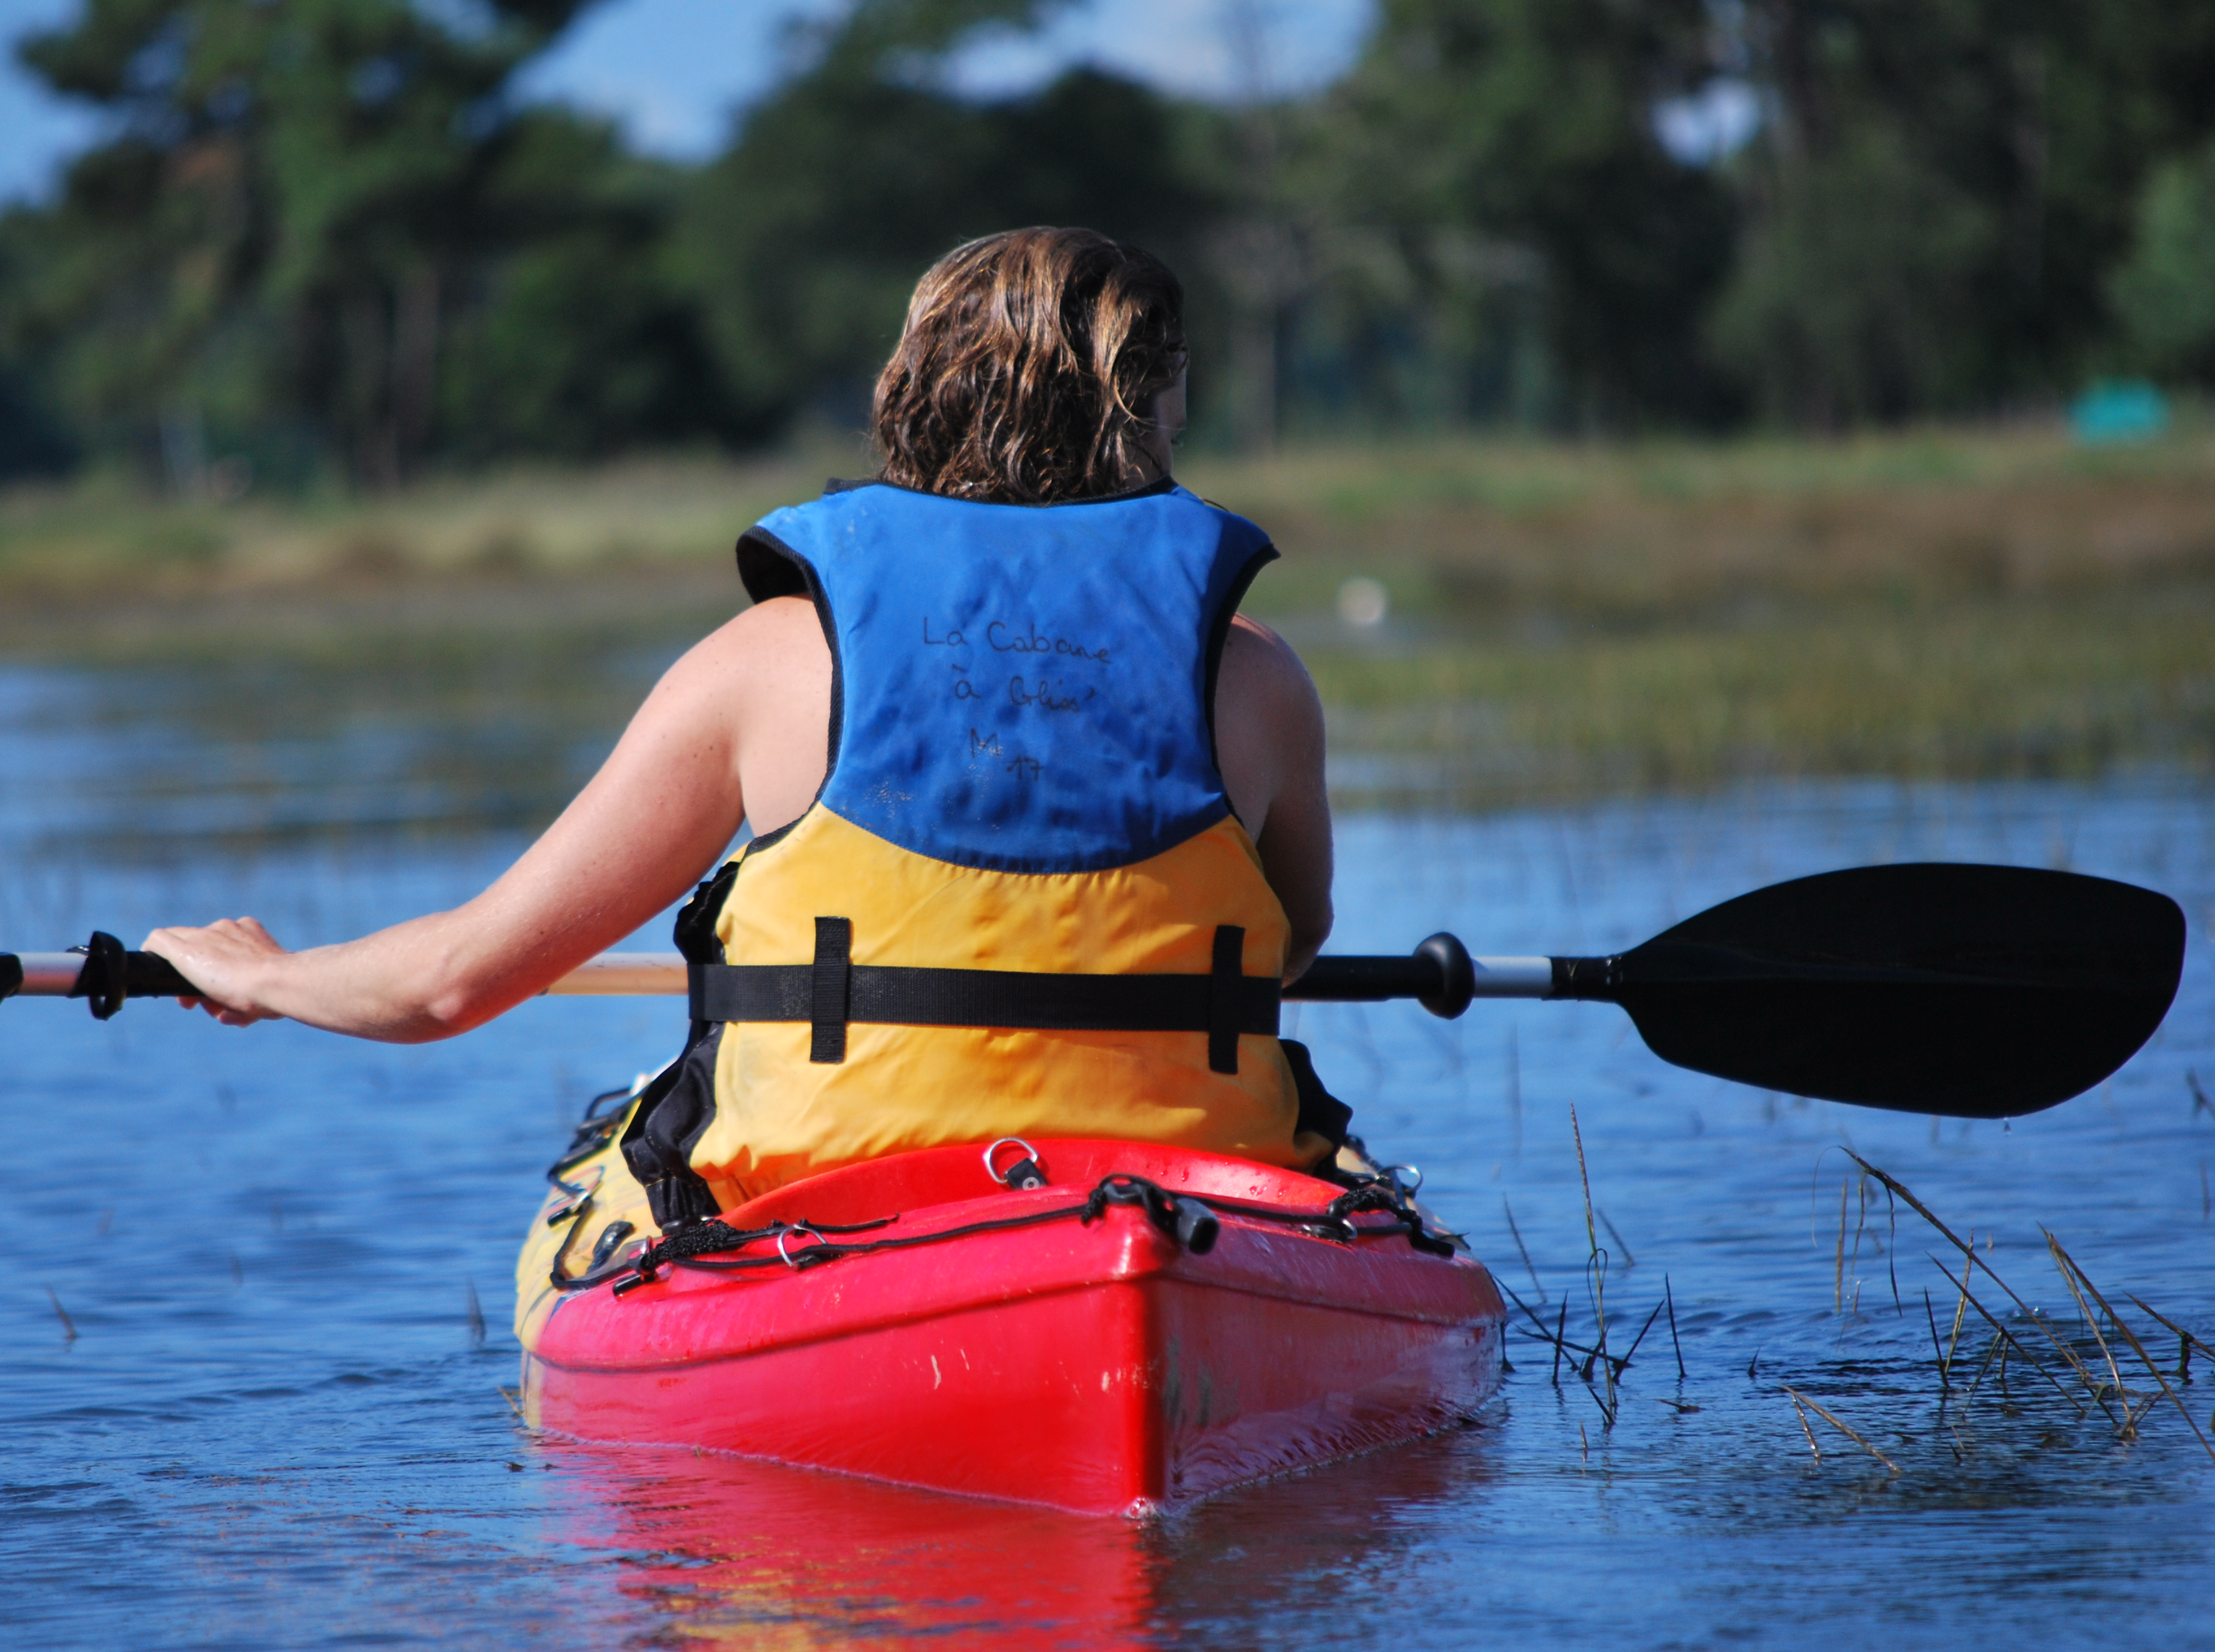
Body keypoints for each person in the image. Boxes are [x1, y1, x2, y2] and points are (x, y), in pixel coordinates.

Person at [143, 227, 1345, 1347]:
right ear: (1149, 422)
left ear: (917, 399)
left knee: (627, 1149)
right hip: (1182, 1207)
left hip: (829, 1218)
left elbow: (455, 983)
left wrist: (269, 975)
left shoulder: (769, 661)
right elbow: (1286, 948)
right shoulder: (1259, 677)